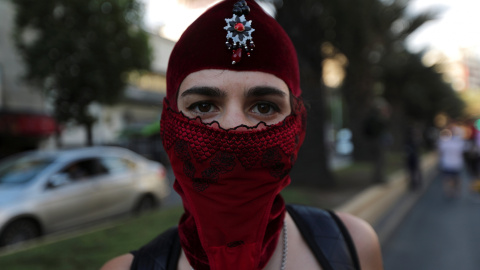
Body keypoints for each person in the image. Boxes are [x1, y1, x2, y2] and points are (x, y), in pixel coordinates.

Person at [101, 0, 383, 269]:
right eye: (204, 106)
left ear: (298, 125)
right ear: (168, 123)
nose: (233, 127)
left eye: (263, 106)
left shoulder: (351, 247)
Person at [438, 124, 466, 198]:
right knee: (457, 178)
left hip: (446, 163)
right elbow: (462, 152)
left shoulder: (443, 142)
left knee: (447, 179)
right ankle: (457, 192)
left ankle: (448, 192)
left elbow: (440, 152)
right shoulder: (459, 142)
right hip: (457, 163)